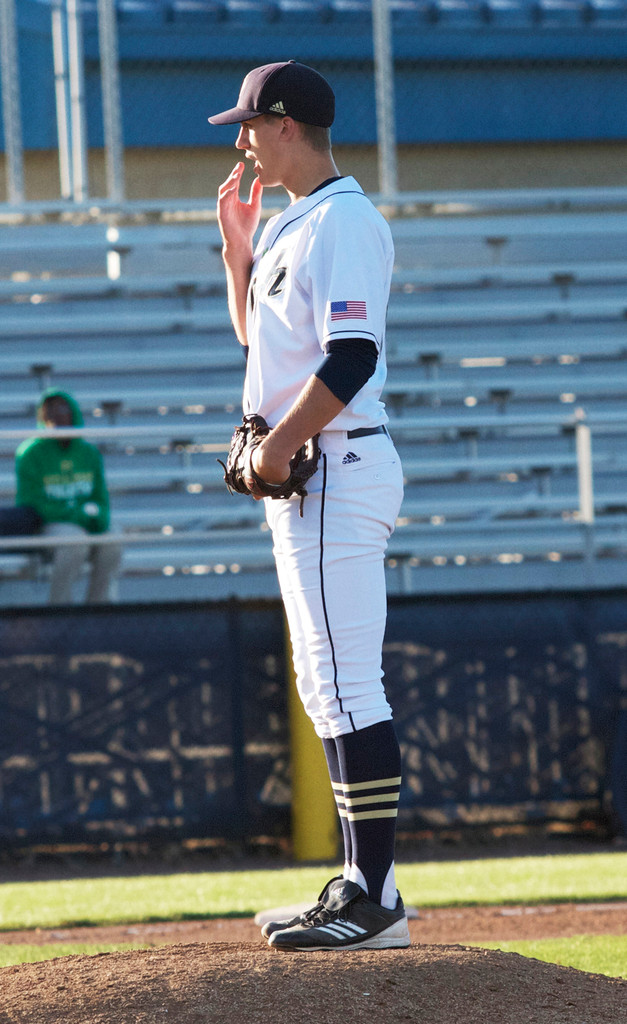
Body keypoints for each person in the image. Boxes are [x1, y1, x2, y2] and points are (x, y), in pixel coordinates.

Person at [210, 61, 409, 951]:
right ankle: (370, 887)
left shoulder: (344, 221)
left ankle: (372, 898)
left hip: (336, 465)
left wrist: (282, 446)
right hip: (312, 473)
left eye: (249, 123)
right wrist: (237, 254)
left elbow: (352, 356)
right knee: (323, 684)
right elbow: (267, 349)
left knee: (344, 683)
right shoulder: (296, 222)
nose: (241, 137)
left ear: (287, 124)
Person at [15, 388, 122, 605]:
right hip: (49, 524)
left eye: (62, 408)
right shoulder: (30, 453)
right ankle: (59, 610)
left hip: (85, 520)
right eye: (50, 410)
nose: (56, 415)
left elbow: (100, 497)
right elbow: (31, 502)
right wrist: (75, 515)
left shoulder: (89, 453)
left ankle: (100, 610)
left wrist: (98, 519)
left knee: (113, 539)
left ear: (73, 412)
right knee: (74, 542)